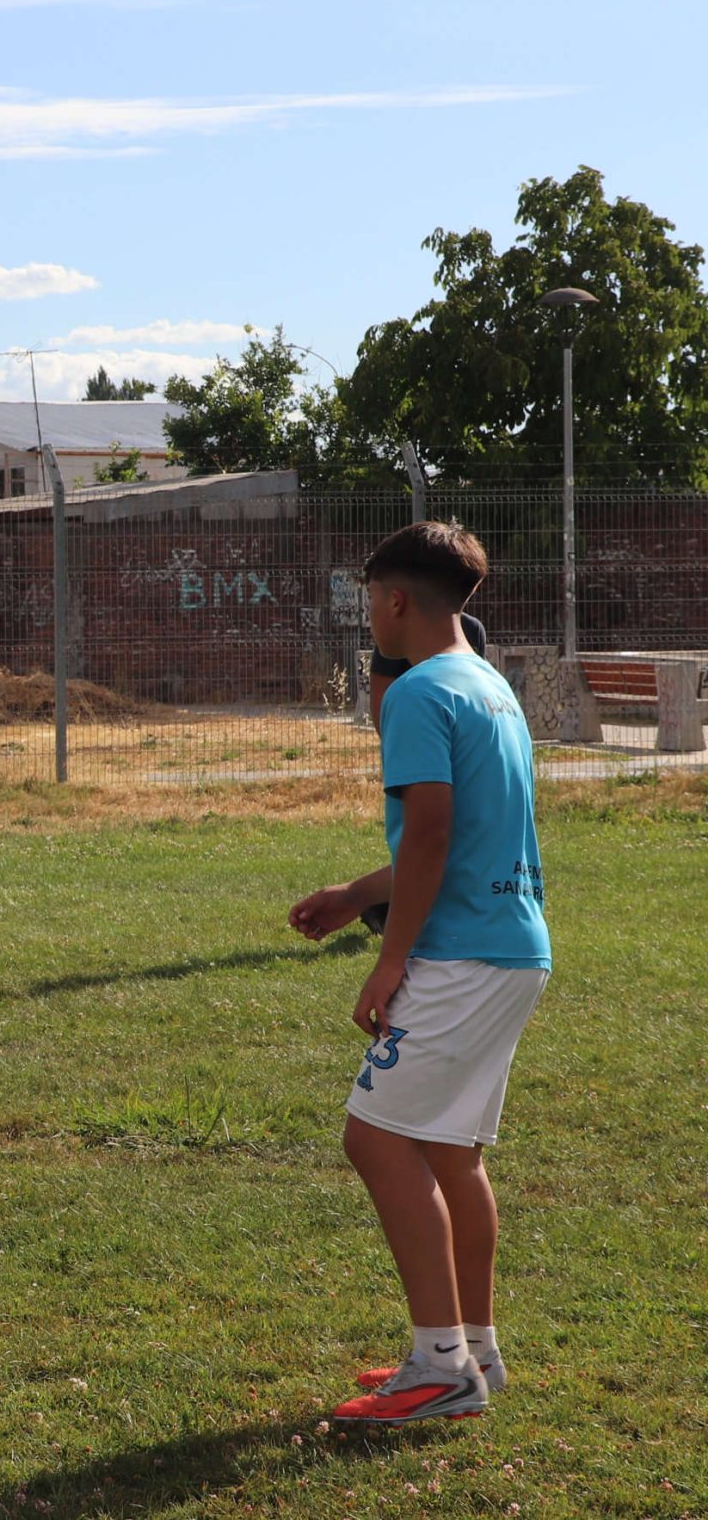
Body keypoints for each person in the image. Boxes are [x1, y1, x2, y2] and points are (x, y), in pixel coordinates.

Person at [287, 522, 550, 1425]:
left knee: (375, 1139)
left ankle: (440, 1368)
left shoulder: (418, 691)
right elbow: (461, 836)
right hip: (513, 946)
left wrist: (389, 957)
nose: (370, 614)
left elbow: (432, 834)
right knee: (449, 1150)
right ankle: (475, 1348)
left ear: (396, 599)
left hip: (461, 953)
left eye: (371, 599)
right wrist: (356, 892)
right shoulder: (490, 687)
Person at [359, 609, 489, 935]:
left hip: (457, 747)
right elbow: (380, 697)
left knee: (445, 835)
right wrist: (401, 749)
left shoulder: (472, 629)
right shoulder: (397, 633)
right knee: (420, 836)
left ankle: (382, 903)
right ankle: (384, 904)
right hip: (417, 747)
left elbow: (473, 688)